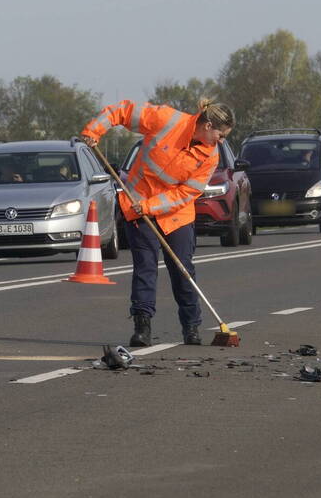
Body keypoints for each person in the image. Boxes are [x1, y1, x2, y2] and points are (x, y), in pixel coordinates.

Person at [82, 98, 235, 346]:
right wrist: (94, 130)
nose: (221, 140)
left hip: (176, 214)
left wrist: (151, 206)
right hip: (137, 206)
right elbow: (121, 111)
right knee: (145, 267)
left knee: (182, 270)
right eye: (220, 134)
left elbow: (186, 193)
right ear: (207, 126)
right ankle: (142, 327)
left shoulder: (210, 157)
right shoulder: (167, 119)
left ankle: (191, 327)